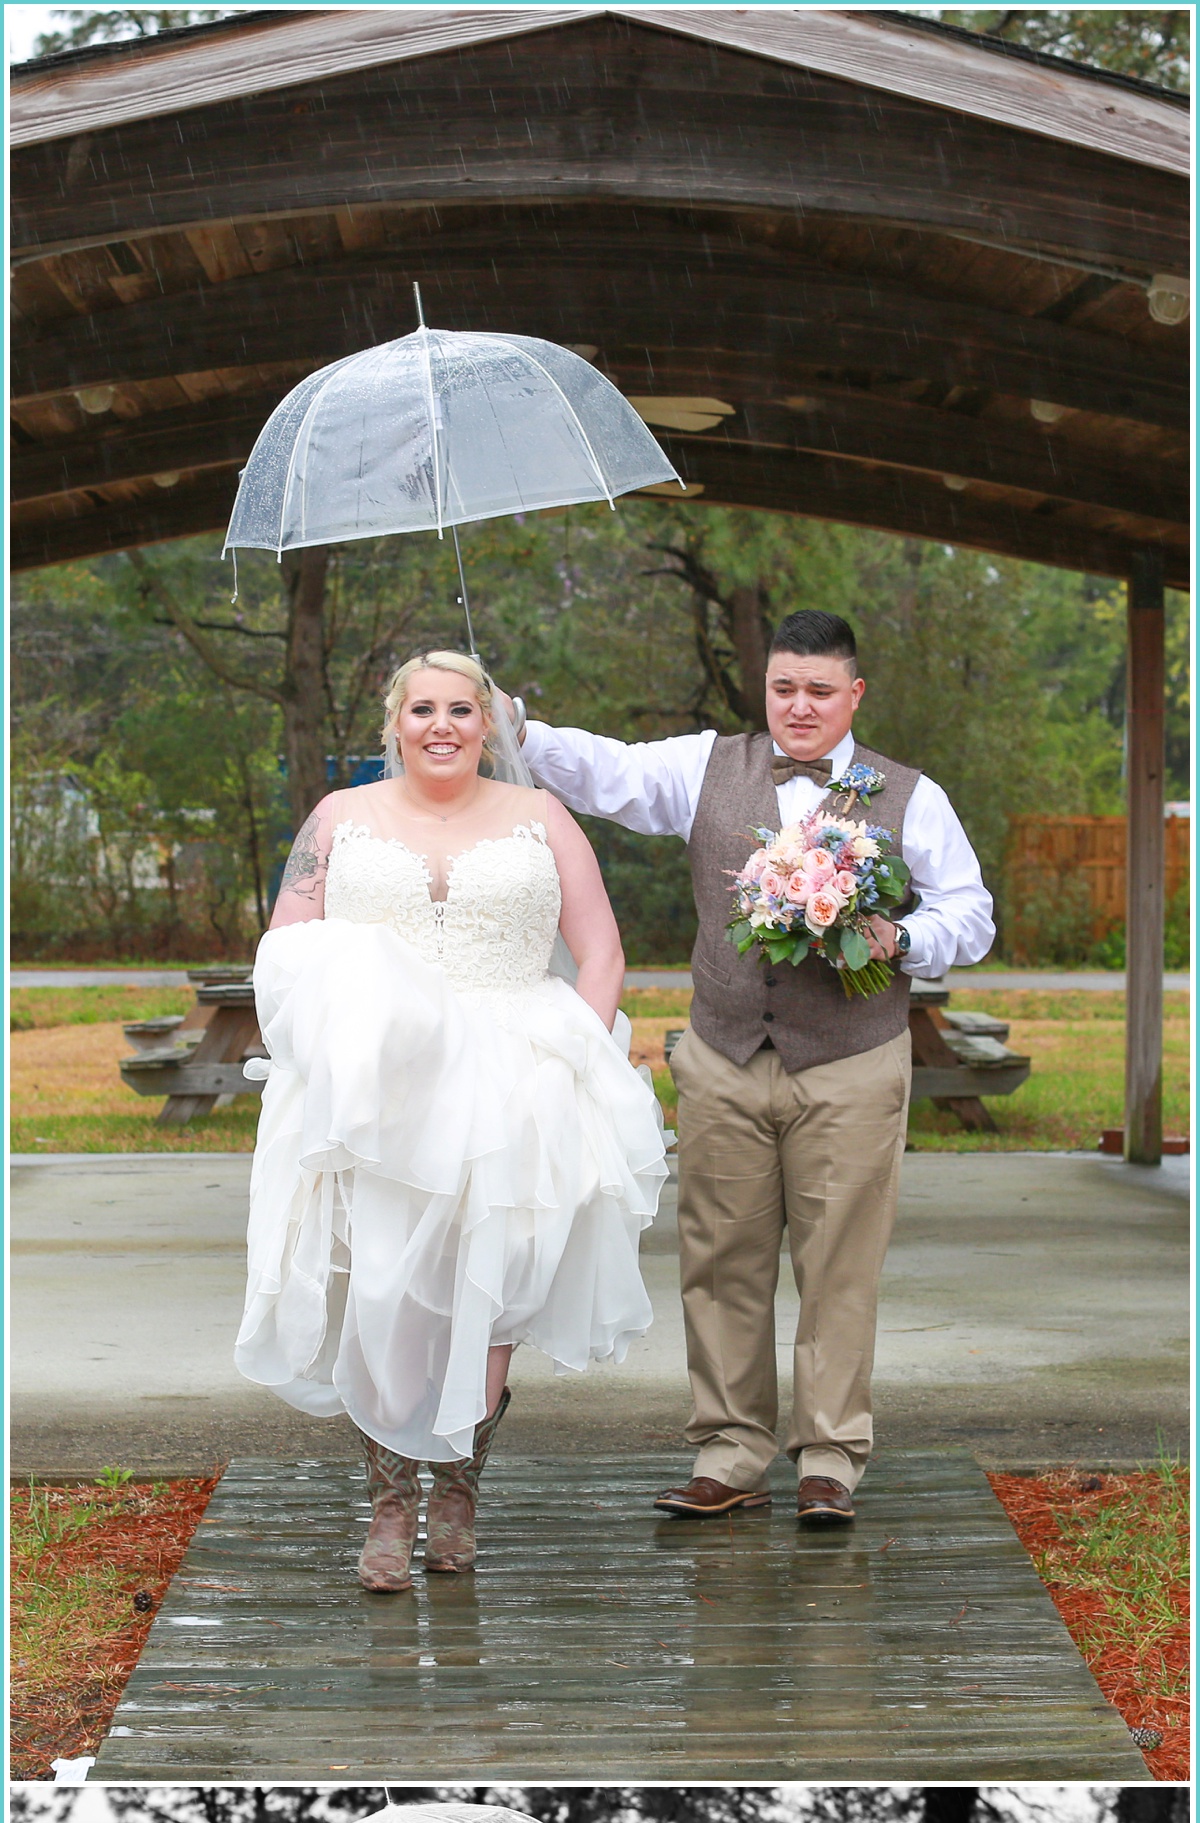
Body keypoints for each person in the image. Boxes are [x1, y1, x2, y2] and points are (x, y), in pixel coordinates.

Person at [502, 611, 994, 1525]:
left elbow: (971, 913)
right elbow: (610, 771)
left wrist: (904, 934)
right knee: (721, 1258)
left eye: (818, 691)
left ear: (853, 695)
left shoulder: (909, 794)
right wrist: (518, 727)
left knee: (839, 1261)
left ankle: (830, 1460)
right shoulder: (705, 766)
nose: (798, 707)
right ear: (763, 688)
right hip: (725, 1053)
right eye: (782, 688)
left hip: (852, 1058)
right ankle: (728, 1451)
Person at [235, 651, 667, 1589]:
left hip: (520, 1077)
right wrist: (328, 1053)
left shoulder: (541, 817)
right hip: (385, 1086)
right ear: (393, 724)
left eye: (462, 710)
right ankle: (391, 1505)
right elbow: (286, 949)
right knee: (387, 1285)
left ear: (491, 723)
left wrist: (574, 1063)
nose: (442, 725)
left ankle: (460, 1488)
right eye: (422, 709)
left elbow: (600, 953)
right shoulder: (339, 820)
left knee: (499, 1282)